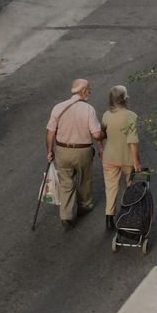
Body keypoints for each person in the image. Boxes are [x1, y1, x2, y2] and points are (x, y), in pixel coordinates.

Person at [46, 79, 103, 229]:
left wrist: (49, 151)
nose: (89, 92)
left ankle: (66, 215)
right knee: (84, 179)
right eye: (89, 89)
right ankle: (84, 205)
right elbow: (96, 135)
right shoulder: (89, 109)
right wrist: (104, 135)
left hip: (62, 150)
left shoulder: (58, 108)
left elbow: (50, 133)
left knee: (66, 182)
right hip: (83, 150)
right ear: (83, 91)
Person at [98, 85, 141, 229]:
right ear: (125, 98)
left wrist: (101, 148)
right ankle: (130, 213)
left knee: (111, 188)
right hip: (126, 158)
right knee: (130, 186)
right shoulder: (131, 116)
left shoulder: (106, 115)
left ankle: (109, 218)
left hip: (109, 157)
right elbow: (132, 141)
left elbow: (101, 134)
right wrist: (136, 162)